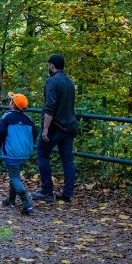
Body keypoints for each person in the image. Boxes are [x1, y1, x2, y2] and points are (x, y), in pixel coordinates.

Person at [32, 54, 78, 203]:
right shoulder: (69, 82)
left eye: (48, 66)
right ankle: (67, 193)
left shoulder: (52, 82)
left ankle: (46, 190)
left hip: (55, 127)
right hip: (70, 126)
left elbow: (50, 106)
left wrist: (45, 128)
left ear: (51, 66)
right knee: (67, 159)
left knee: (42, 154)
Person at [0, 91, 37, 215]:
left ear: (13, 105)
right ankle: (10, 200)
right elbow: (34, 134)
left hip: (11, 153)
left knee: (15, 177)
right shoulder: (27, 119)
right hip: (24, 153)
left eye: (11, 101)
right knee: (14, 175)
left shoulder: (6, 117)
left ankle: (28, 203)